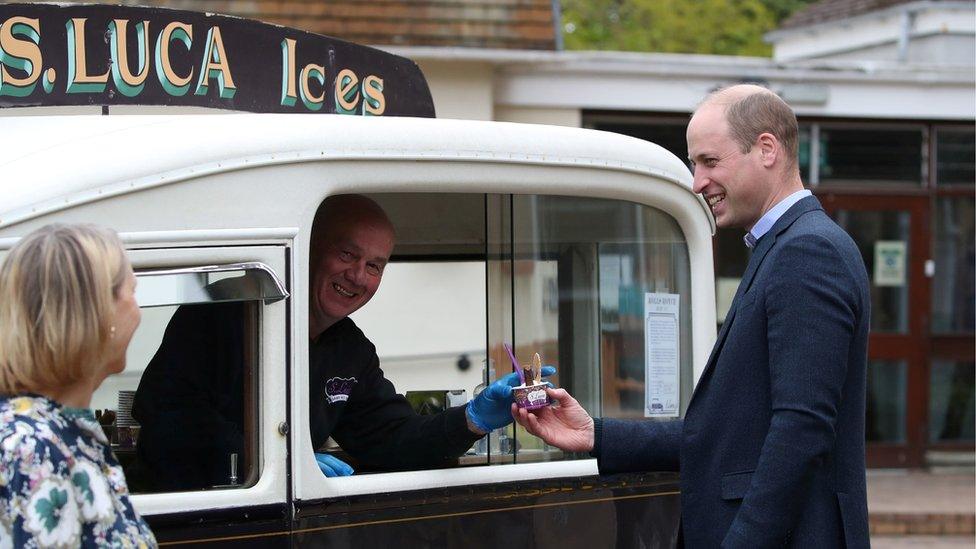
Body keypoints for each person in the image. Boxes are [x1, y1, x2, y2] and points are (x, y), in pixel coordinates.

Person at [514, 85, 871, 548]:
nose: (697, 181)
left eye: (709, 161)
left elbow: (800, 432)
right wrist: (595, 435)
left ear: (766, 149)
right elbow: (727, 433)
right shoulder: (786, 247)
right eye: (693, 164)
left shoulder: (807, 251)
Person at [133, 194, 551, 490]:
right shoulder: (223, 310)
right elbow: (166, 416)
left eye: (374, 266)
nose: (358, 277)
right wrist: (273, 457)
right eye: (347, 255)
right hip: (192, 520)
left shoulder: (351, 350)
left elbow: (393, 440)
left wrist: (472, 419)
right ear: (308, 247)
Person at [0, 224, 156, 547]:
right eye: (132, 292)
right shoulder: (32, 448)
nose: (138, 312)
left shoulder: (62, 432)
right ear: (97, 311)